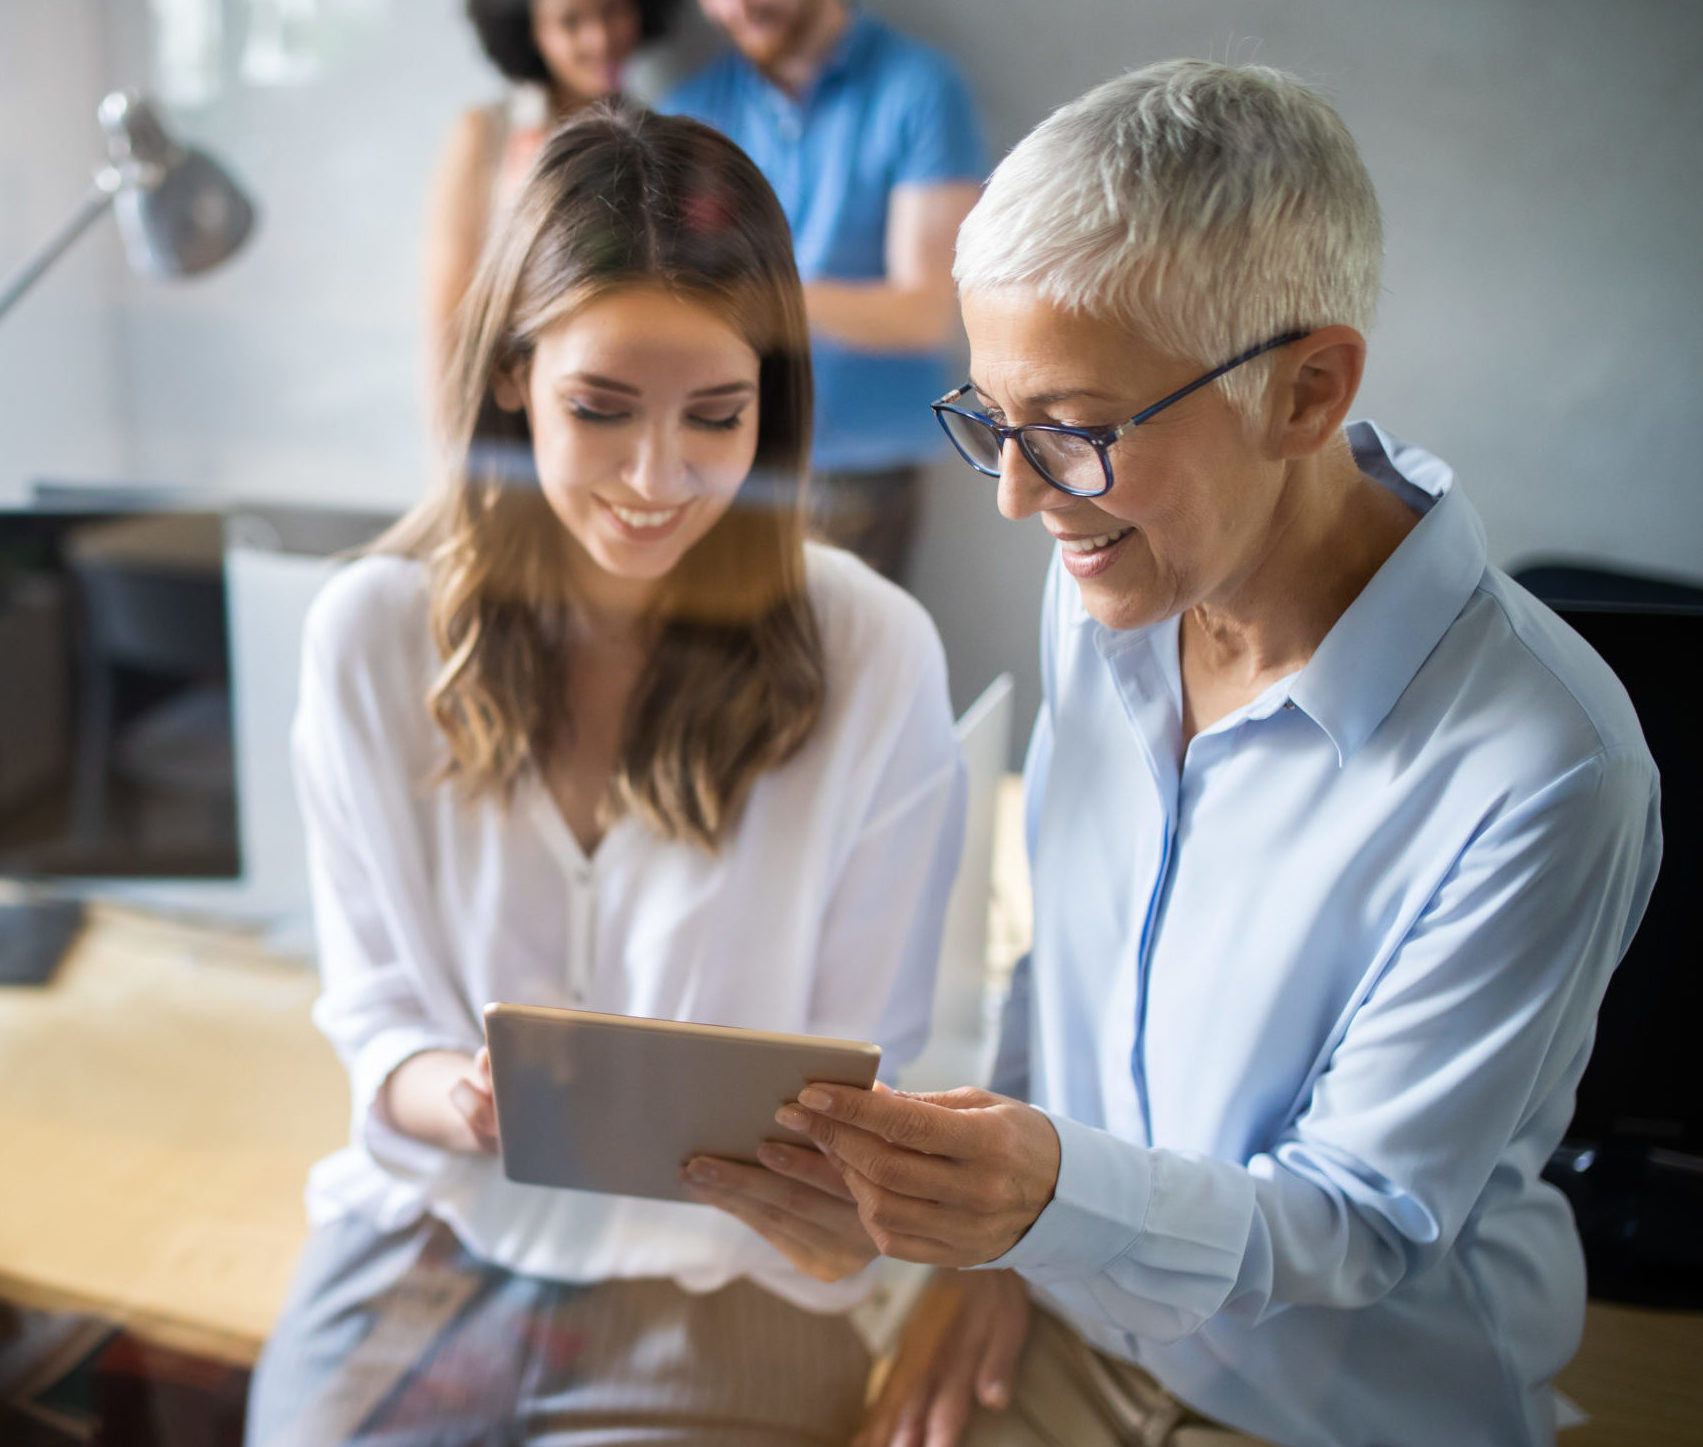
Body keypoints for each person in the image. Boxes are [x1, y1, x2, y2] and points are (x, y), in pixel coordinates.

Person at [687, 61, 1664, 1447]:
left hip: (1333, 1404)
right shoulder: (1109, 586)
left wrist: (1040, 1207)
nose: (1019, 495)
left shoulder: (1546, 765)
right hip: (1056, 1309)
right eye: (990, 420)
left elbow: (1360, 1218)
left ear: (1306, 391)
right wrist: (1008, 1255)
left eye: (1075, 430)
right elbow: (1065, 963)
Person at [247, 103, 965, 1447]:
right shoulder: (371, 633)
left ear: (773, 397)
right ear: (514, 372)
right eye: (601, 408)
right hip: (428, 1239)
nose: (658, 478)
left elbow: (870, 1063)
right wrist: (447, 1091)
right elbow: (373, 1010)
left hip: (721, 1279)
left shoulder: (870, 652)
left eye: (716, 414)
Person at [662, 0, 985, 583]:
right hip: (717, 460)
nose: (740, 7)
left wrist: (758, 296)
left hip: (859, 472)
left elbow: (927, 312)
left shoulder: (918, 90)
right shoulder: (687, 113)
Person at [424, 0, 677, 399]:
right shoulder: (486, 134)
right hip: (508, 400)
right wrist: (451, 444)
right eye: (570, 22)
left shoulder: (664, 138)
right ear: (531, 31)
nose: (600, 39)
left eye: (613, 10)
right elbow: (449, 313)